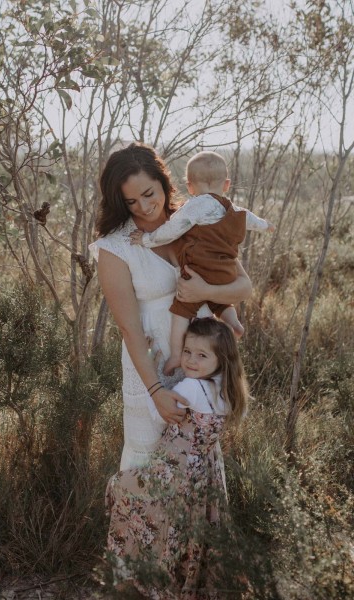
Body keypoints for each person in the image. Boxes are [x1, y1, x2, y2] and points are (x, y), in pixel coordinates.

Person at [90, 143, 252, 470]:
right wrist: (155, 392)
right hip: (153, 365)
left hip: (201, 359)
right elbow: (129, 329)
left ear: (164, 183)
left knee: (197, 458)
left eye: (149, 194)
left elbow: (243, 286)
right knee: (148, 461)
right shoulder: (116, 247)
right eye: (131, 201)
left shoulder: (195, 221)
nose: (144, 207)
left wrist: (205, 290)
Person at [105, 318, 249, 599]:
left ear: (221, 359)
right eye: (187, 351)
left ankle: (137, 575)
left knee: (121, 487)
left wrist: (152, 369)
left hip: (175, 467)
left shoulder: (192, 388)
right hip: (203, 472)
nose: (191, 360)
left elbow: (158, 412)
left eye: (202, 355)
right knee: (184, 528)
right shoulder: (228, 389)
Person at [129, 150, 274, 375]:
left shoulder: (195, 206)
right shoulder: (234, 209)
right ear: (226, 185)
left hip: (200, 271)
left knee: (182, 310)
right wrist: (266, 225)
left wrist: (146, 239)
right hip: (225, 272)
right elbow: (251, 220)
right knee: (221, 304)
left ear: (190, 187)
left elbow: (171, 229)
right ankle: (234, 324)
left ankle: (175, 355)